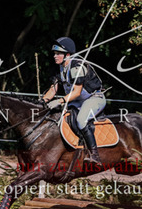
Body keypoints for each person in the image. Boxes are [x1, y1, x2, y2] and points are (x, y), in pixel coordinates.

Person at [41, 36, 105, 165]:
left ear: (67, 55)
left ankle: (94, 155)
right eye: (54, 53)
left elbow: (77, 92)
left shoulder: (77, 66)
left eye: (58, 53)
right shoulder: (59, 68)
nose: (55, 56)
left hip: (93, 99)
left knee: (81, 120)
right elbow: (53, 90)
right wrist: (42, 102)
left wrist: (59, 101)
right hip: (76, 101)